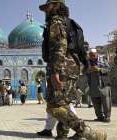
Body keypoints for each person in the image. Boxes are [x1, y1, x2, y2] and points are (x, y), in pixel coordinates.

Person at [39, 0, 107, 139]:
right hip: (72, 67)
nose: (46, 10)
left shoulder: (56, 22)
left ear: (57, 5)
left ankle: (90, 134)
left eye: (48, 7)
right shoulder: (68, 22)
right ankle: (62, 135)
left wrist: (55, 72)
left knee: (56, 107)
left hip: (62, 67)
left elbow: (58, 47)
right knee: (61, 104)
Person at [87, 48, 112, 122]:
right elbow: (84, 71)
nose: (92, 56)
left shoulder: (103, 60)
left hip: (103, 84)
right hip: (93, 84)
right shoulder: (87, 62)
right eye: (90, 55)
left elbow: (108, 69)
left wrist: (99, 69)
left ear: (96, 54)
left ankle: (107, 117)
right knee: (95, 101)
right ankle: (99, 116)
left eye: (93, 55)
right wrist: (89, 70)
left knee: (106, 101)